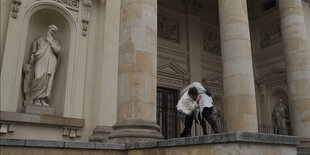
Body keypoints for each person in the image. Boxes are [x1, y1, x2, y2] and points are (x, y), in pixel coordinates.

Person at [30, 25, 61, 106]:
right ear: (48, 29)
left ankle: (43, 100)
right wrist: (31, 62)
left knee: (47, 80)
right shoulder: (39, 39)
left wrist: (50, 42)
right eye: (51, 30)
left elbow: (58, 51)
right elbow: (34, 52)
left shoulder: (55, 41)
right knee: (38, 77)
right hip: (40, 60)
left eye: (54, 31)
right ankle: (36, 99)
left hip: (50, 61)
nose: (52, 32)